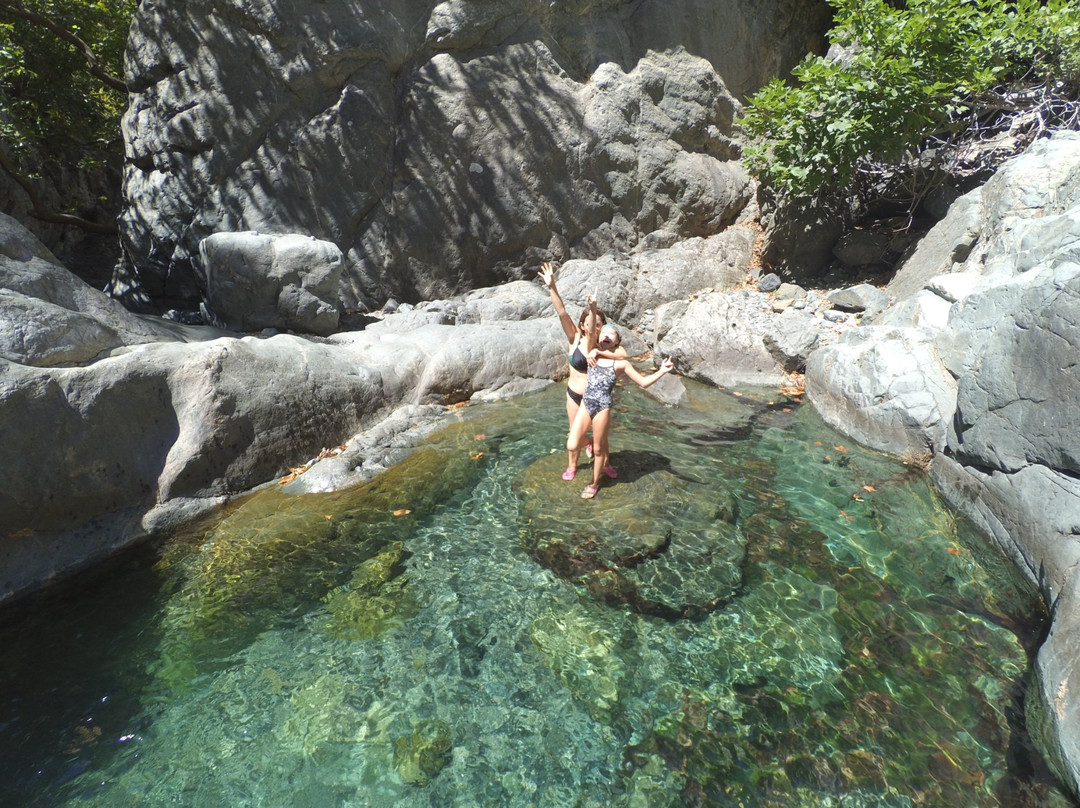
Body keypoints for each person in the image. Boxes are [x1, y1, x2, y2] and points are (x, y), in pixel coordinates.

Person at [568, 297, 675, 499]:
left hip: (603, 407)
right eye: (604, 333)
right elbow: (590, 330)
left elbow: (642, 382)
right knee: (572, 444)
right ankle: (590, 445)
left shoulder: (620, 364)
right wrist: (593, 307)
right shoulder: (592, 352)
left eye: (612, 334)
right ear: (598, 337)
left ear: (617, 341)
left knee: (599, 450)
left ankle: (594, 483)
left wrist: (661, 370)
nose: (607, 335)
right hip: (586, 404)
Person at [538, 262, 625, 481]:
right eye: (590, 323)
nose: (594, 327)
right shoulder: (575, 337)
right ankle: (572, 465)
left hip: (596, 397)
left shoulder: (605, 345)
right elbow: (561, 311)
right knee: (575, 434)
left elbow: (623, 357)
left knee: (602, 438)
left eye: (599, 324)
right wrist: (552, 286)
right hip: (574, 396)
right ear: (583, 325)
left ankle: (605, 463)